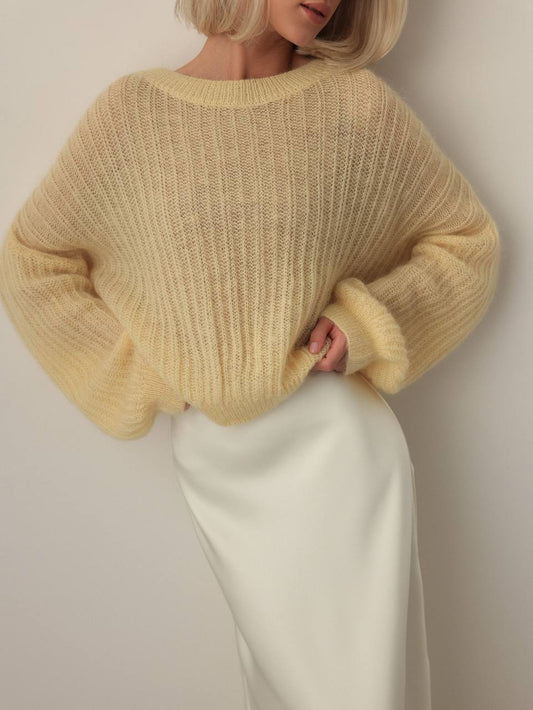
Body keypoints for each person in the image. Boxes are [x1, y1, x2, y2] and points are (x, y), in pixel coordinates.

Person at [0, 1, 500, 708]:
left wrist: (367, 322)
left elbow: (467, 242)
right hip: (217, 464)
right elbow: (33, 261)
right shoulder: (133, 116)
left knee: (358, 691)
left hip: (338, 452)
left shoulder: (354, 107)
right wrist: (139, 375)